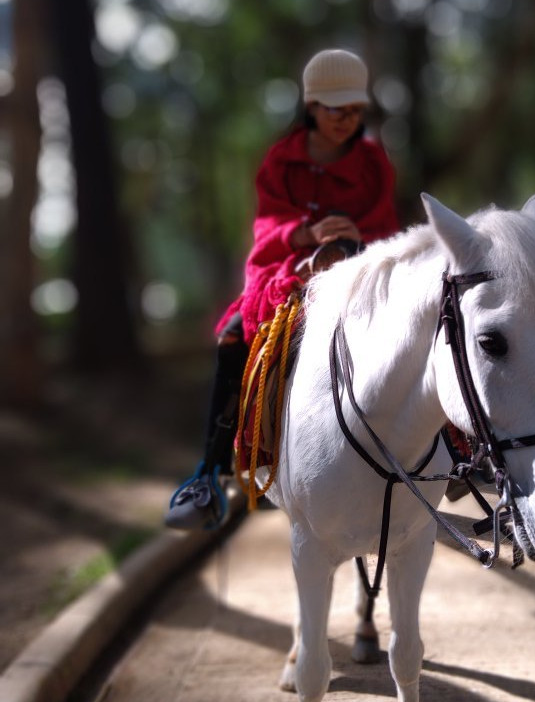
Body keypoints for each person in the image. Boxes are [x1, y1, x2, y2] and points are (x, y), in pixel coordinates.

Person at [165, 49, 400, 530]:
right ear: (312, 106)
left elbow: (385, 224)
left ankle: (463, 448)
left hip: (362, 266)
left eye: (355, 110)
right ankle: (210, 474)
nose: (348, 119)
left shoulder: (375, 161)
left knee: (425, 318)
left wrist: (352, 234)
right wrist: (305, 235)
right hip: (291, 268)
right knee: (234, 335)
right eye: (338, 110)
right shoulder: (280, 159)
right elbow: (268, 221)